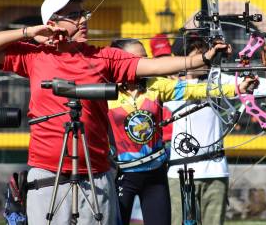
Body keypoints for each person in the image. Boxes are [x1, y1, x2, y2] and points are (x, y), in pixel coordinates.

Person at [0, 0, 256, 224]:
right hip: (48, 172)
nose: (83, 20)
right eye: (73, 16)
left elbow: (152, 65)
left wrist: (202, 59)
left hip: (95, 174)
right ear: (53, 23)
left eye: (84, 13)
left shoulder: (103, 57)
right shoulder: (34, 57)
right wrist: (29, 31)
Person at [107, 38, 254, 225]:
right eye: (138, 59)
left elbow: (196, 90)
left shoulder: (155, 85)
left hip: (155, 175)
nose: (146, 63)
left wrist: (236, 87)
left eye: (146, 58)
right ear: (118, 61)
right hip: (122, 174)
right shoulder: (105, 91)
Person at [166, 37, 266, 225]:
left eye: (207, 54)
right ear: (183, 60)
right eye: (199, 55)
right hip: (180, 172)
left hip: (215, 171)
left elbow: (257, 85)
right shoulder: (167, 86)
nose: (206, 59)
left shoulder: (217, 79)